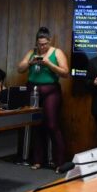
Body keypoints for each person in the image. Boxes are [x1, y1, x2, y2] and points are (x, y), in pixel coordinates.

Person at [17, 26, 69, 169]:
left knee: (52, 124)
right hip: (33, 90)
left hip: (51, 90)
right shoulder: (32, 52)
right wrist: (30, 62)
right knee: (36, 124)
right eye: (40, 44)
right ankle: (38, 160)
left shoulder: (57, 52)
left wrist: (49, 64)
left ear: (49, 41)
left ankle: (60, 162)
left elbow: (65, 72)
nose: (42, 47)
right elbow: (19, 68)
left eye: (45, 44)